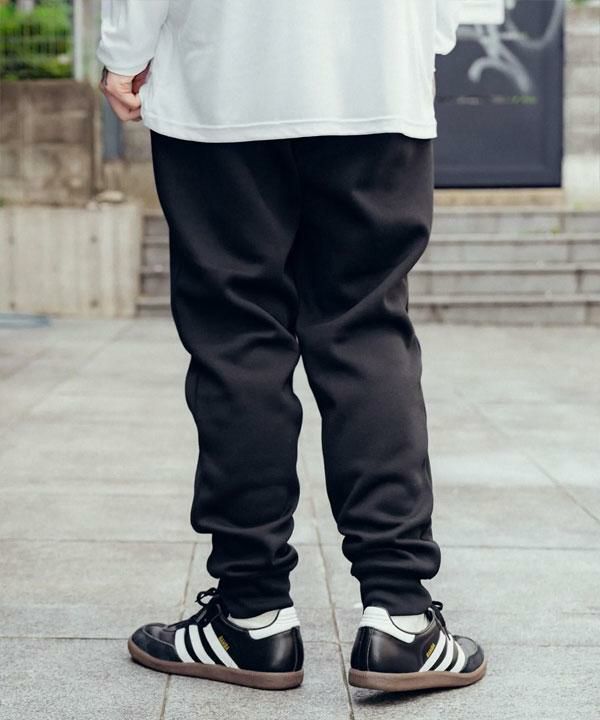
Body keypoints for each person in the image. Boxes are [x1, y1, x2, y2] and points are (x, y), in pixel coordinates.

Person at [97, 0, 486, 693]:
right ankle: (401, 617)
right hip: (375, 80)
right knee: (366, 329)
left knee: (237, 337)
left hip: (224, 82)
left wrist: (125, 48)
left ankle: (251, 616)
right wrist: (421, 37)